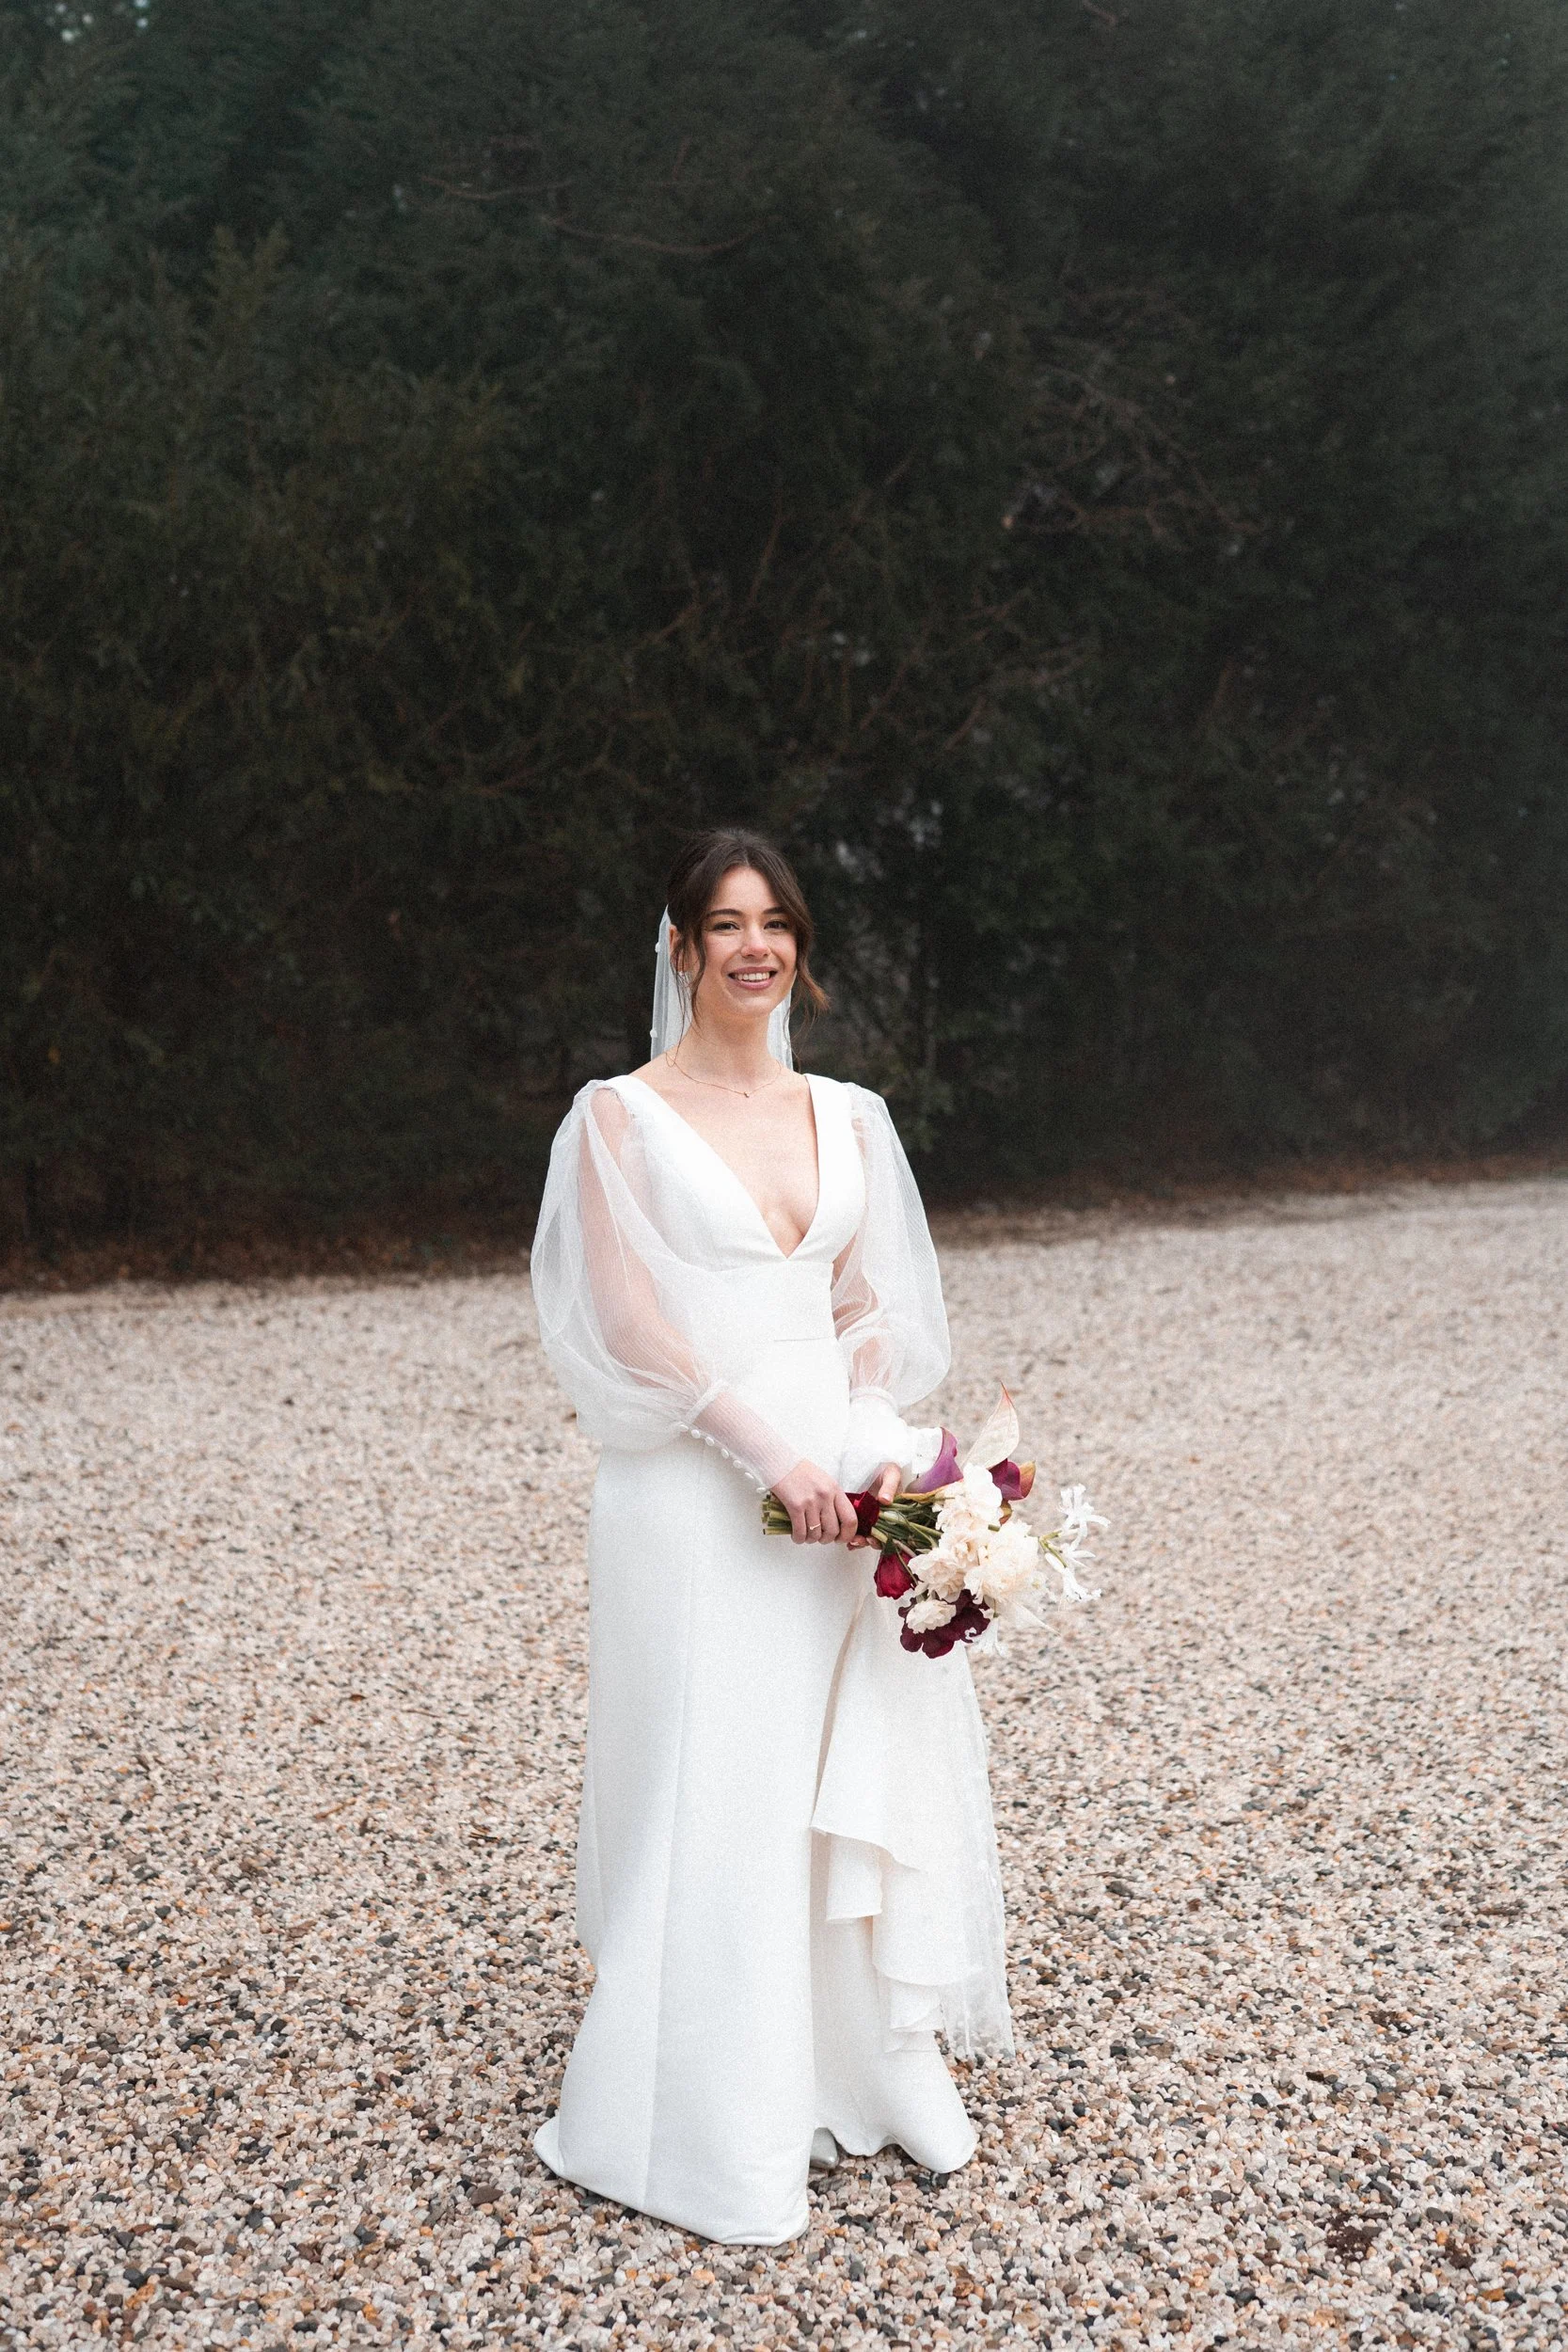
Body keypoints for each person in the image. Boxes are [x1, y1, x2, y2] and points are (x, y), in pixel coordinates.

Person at [529, 828, 1011, 2246]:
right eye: (723, 924)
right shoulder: (618, 1115)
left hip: (837, 1489)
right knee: (720, 1770)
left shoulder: (849, 1111)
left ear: (797, 946)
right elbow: (629, 1326)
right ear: (679, 952)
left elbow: (867, 1313)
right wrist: (774, 1454)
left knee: (845, 1757)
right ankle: (704, 2119)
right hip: (700, 1488)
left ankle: (863, 2060)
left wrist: (887, 1459)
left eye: (774, 922)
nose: (753, 945)